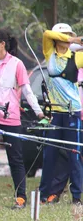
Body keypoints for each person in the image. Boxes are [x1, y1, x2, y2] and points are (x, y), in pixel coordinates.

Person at [0, 29, 44, 209]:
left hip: (10, 117)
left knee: (16, 159)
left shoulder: (16, 64)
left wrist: (39, 112)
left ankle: (20, 197)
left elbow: (26, 90)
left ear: (2, 44)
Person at [37, 23, 83, 205]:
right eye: (61, 36)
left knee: (74, 155)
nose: (63, 39)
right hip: (55, 113)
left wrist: (76, 44)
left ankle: (77, 197)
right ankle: (43, 194)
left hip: (72, 112)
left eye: (66, 35)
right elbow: (46, 34)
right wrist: (72, 39)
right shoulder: (49, 53)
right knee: (50, 155)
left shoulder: (76, 57)